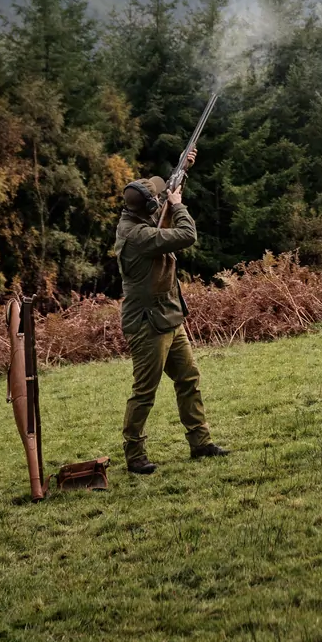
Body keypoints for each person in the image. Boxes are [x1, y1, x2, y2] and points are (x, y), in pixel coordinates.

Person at [112, 149, 227, 473]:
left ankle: (200, 443)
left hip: (168, 316)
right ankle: (134, 457)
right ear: (146, 207)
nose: (161, 198)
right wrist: (179, 206)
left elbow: (166, 198)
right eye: (156, 199)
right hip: (148, 324)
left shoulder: (142, 218)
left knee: (188, 378)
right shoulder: (138, 235)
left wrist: (183, 169)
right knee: (144, 392)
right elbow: (185, 233)